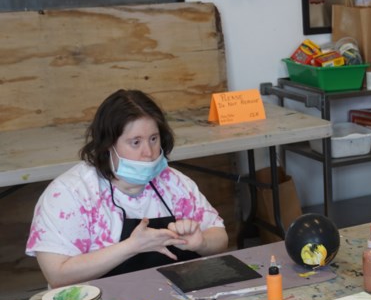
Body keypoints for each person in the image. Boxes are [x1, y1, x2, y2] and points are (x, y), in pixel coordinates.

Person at [26, 89, 228, 287]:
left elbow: (220, 237)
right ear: (107, 145)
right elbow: (58, 275)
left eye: (153, 139)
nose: (148, 152)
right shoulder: (70, 194)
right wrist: (132, 247)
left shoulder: (174, 183)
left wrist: (202, 242)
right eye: (135, 142)